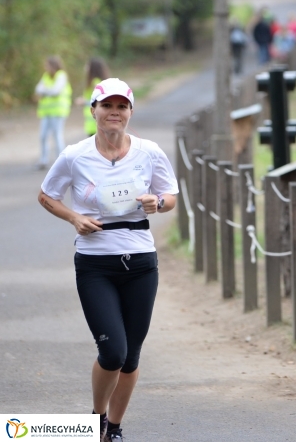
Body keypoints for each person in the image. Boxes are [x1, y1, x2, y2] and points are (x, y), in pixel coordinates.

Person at [37, 78, 178, 442]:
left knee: (131, 356)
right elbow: (46, 195)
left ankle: (113, 428)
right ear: (94, 110)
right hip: (96, 263)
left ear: (130, 112)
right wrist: (74, 218)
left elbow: (171, 195)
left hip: (141, 262)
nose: (114, 113)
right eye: (107, 106)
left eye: (121, 107)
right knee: (112, 350)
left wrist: (157, 203)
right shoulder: (74, 155)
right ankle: (96, 419)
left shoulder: (148, 152)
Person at [35, 55, 72, 169]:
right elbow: (37, 89)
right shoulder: (46, 76)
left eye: (47, 65)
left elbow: (56, 91)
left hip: (58, 112)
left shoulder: (61, 75)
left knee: (57, 135)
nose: (46, 67)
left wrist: (45, 90)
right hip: (46, 112)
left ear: (53, 65)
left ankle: (61, 161)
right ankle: (43, 160)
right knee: (43, 136)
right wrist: (47, 90)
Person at [81, 58, 111, 137]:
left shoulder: (96, 83)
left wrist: (83, 102)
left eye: (87, 66)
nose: (85, 68)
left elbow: (100, 102)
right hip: (93, 122)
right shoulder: (95, 82)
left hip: (95, 123)